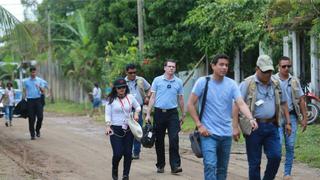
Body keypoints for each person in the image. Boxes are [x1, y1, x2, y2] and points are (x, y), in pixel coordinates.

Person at [187, 54, 257, 180]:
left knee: (222, 169)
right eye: (221, 64)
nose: (224, 67)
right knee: (209, 164)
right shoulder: (203, 82)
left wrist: (250, 118)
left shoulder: (231, 84)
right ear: (213, 66)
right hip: (208, 134)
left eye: (226, 65)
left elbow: (240, 103)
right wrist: (199, 125)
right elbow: (190, 104)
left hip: (225, 134)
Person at [233, 55, 292, 180]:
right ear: (257, 69)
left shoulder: (276, 83)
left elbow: (284, 103)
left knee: (276, 156)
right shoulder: (247, 83)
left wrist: (288, 122)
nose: (267, 74)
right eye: (264, 71)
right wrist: (235, 127)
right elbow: (237, 104)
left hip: (272, 126)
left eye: (269, 71)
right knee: (254, 163)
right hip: (253, 127)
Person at [145, 59, 186, 174]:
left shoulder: (178, 82)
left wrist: (183, 114)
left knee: (174, 139)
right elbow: (152, 97)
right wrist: (148, 114)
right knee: (159, 140)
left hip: (173, 113)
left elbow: (181, 99)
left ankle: (175, 166)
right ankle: (160, 165)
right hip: (159, 113)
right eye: (169, 66)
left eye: (173, 67)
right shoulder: (157, 80)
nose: (171, 68)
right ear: (164, 68)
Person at [274, 56, 307, 180]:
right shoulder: (273, 80)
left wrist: (304, 118)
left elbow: (301, 99)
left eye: (288, 66)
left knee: (290, 145)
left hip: (292, 116)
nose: (286, 68)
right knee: (277, 145)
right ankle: (272, 171)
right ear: (279, 67)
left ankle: (287, 173)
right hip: (276, 117)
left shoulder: (294, 80)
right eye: (283, 66)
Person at [105, 78, 141, 180]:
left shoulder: (130, 97)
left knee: (128, 153)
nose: (121, 89)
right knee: (118, 153)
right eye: (119, 88)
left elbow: (138, 107)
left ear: (126, 87)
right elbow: (107, 114)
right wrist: (108, 126)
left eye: (123, 87)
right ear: (115, 89)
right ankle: (115, 169)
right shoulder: (111, 99)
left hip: (129, 129)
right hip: (115, 129)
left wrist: (136, 114)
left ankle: (126, 175)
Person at [125, 63, 151, 160]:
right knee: (127, 130)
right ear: (126, 72)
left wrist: (147, 97)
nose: (133, 74)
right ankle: (128, 151)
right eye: (130, 73)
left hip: (138, 108)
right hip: (126, 109)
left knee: (137, 130)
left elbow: (150, 88)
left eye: (134, 72)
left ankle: (136, 152)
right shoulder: (123, 82)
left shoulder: (141, 80)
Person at [23, 67, 46, 140]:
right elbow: (24, 91)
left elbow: (43, 91)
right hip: (30, 101)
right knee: (31, 118)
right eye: (32, 72)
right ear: (30, 73)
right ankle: (32, 134)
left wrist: (39, 87)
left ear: (36, 72)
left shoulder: (39, 80)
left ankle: (37, 130)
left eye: (34, 72)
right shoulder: (26, 81)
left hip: (38, 100)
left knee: (40, 117)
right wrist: (24, 99)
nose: (33, 73)